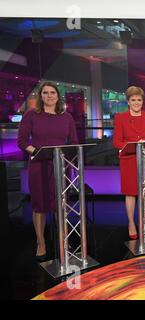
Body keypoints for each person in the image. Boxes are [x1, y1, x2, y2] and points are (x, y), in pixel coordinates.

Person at [17, 81, 78, 262]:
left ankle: (63, 240)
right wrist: (37, 152)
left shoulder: (67, 117)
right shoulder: (31, 115)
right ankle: (41, 242)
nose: (49, 96)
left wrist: (72, 160)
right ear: (41, 96)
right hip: (39, 166)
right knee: (40, 206)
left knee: (61, 205)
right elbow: (21, 141)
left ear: (58, 96)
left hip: (61, 166)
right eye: (45, 93)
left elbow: (74, 143)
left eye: (52, 93)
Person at [113, 86, 145, 240]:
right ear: (128, 101)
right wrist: (134, 143)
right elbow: (117, 142)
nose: (136, 103)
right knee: (130, 193)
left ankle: (144, 221)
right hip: (129, 160)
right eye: (133, 100)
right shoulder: (120, 118)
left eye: (139, 100)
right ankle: (131, 222)